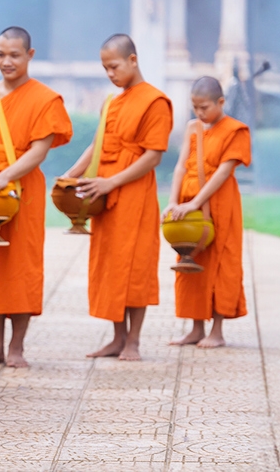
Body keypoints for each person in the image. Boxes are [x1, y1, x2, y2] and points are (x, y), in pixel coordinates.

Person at [0, 26, 73, 368]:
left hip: (23, 188)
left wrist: (4, 176)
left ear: (30, 56)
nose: (6, 62)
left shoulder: (44, 99)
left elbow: (39, 150)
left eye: (14, 55)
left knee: (22, 266)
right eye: (0, 55)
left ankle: (17, 347)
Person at [62, 34, 172, 361]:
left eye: (114, 66)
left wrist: (113, 183)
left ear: (133, 60)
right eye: (105, 68)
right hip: (103, 192)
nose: (110, 74)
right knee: (109, 263)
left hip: (134, 191)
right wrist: (72, 174)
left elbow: (153, 156)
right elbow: (96, 145)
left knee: (135, 264)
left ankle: (134, 341)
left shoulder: (156, 101)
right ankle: (116, 338)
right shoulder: (111, 102)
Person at [164, 77, 250, 348]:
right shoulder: (193, 128)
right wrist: (173, 201)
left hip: (220, 204)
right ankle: (195, 328)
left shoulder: (236, 130)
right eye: (195, 107)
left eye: (204, 107)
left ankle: (217, 331)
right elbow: (180, 167)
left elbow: (223, 173)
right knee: (190, 260)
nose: (199, 113)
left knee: (222, 262)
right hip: (188, 202)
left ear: (220, 102)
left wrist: (196, 202)